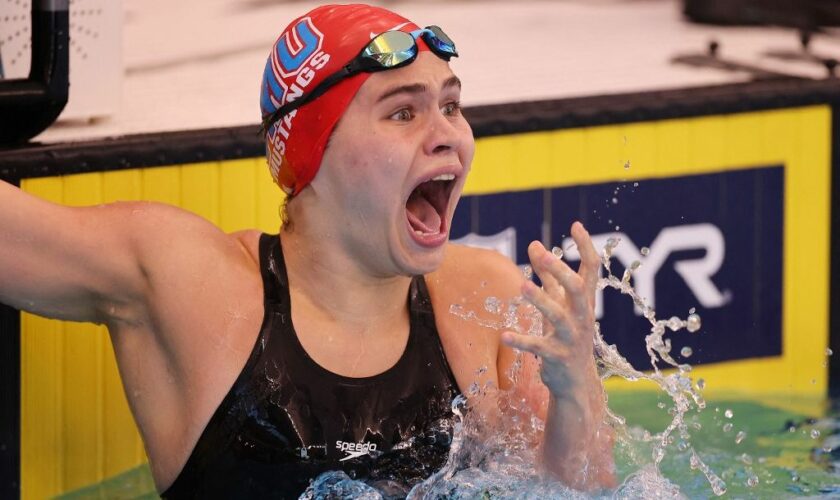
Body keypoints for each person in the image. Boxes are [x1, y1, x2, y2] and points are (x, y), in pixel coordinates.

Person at [0, 4, 615, 498]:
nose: (448, 134)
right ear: (311, 154)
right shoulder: (199, 290)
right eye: (404, 112)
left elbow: (582, 490)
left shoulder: (480, 300)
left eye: (451, 105)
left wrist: (576, 389)